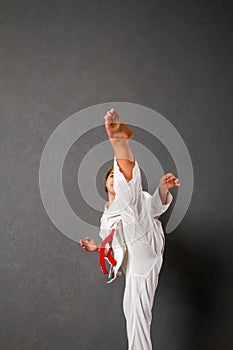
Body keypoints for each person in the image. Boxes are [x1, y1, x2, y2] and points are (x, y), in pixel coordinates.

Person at [79, 108, 180, 350]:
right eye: (111, 175)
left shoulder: (139, 197)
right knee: (134, 314)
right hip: (137, 261)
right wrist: (98, 249)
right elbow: (116, 248)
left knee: (131, 202)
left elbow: (154, 208)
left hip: (147, 237)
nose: (113, 177)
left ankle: (119, 143)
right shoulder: (105, 220)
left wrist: (162, 190)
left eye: (116, 173)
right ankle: (119, 144)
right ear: (105, 183)